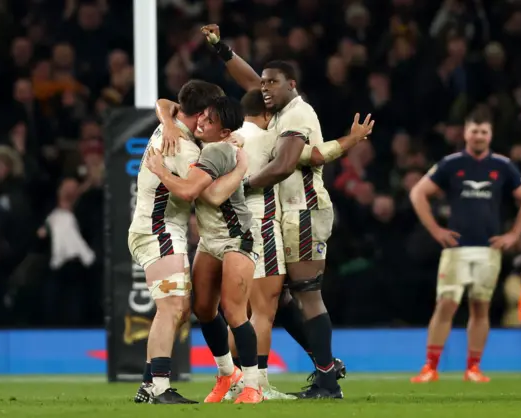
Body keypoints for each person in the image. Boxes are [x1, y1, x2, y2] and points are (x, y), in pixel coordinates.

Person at [198, 24, 374, 399]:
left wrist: (238, 188)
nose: (264, 88)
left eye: (272, 83)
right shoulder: (276, 112)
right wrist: (222, 49)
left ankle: (326, 379)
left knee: (306, 292)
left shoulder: (296, 114)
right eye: (262, 85)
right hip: (286, 213)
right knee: (286, 296)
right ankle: (322, 366)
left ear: (291, 85)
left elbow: (283, 165)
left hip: (303, 210)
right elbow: (252, 82)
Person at [147, 97, 265, 404]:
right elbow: (167, 103)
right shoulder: (212, 145)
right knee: (203, 309)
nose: (200, 122)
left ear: (224, 130)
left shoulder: (218, 150)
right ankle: (227, 375)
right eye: (202, 117)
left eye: (209, 121)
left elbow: (199, 193)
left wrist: (160, 171)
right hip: (211, 240)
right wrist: (170, 122)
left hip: (237, 237)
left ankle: (253, 386)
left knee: (234, 312)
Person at [128, 84, 241, 404]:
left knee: (176, 305)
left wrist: (164, 118)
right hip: (158, 230)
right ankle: (159, 388)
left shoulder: (173, 124)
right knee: (173, 305)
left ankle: (150, 384)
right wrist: (238, 160)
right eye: (211, 112)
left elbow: (165, 102)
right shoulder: (182, 148)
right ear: (202, 114)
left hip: (157, 228)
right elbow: (198, 192)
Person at [408, 107, 521, 383]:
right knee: (446, 305)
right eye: (474, 130)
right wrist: (435, 230)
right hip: (456, 248)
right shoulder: (451, 164)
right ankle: (430, 367)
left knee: (481, 308)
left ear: (490, 135)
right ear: (466, 133)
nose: (478, 136)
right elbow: (418, 193)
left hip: (488, 250)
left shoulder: (502, 166)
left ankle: (473, 368)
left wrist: (514, 234)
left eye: (484, 131)